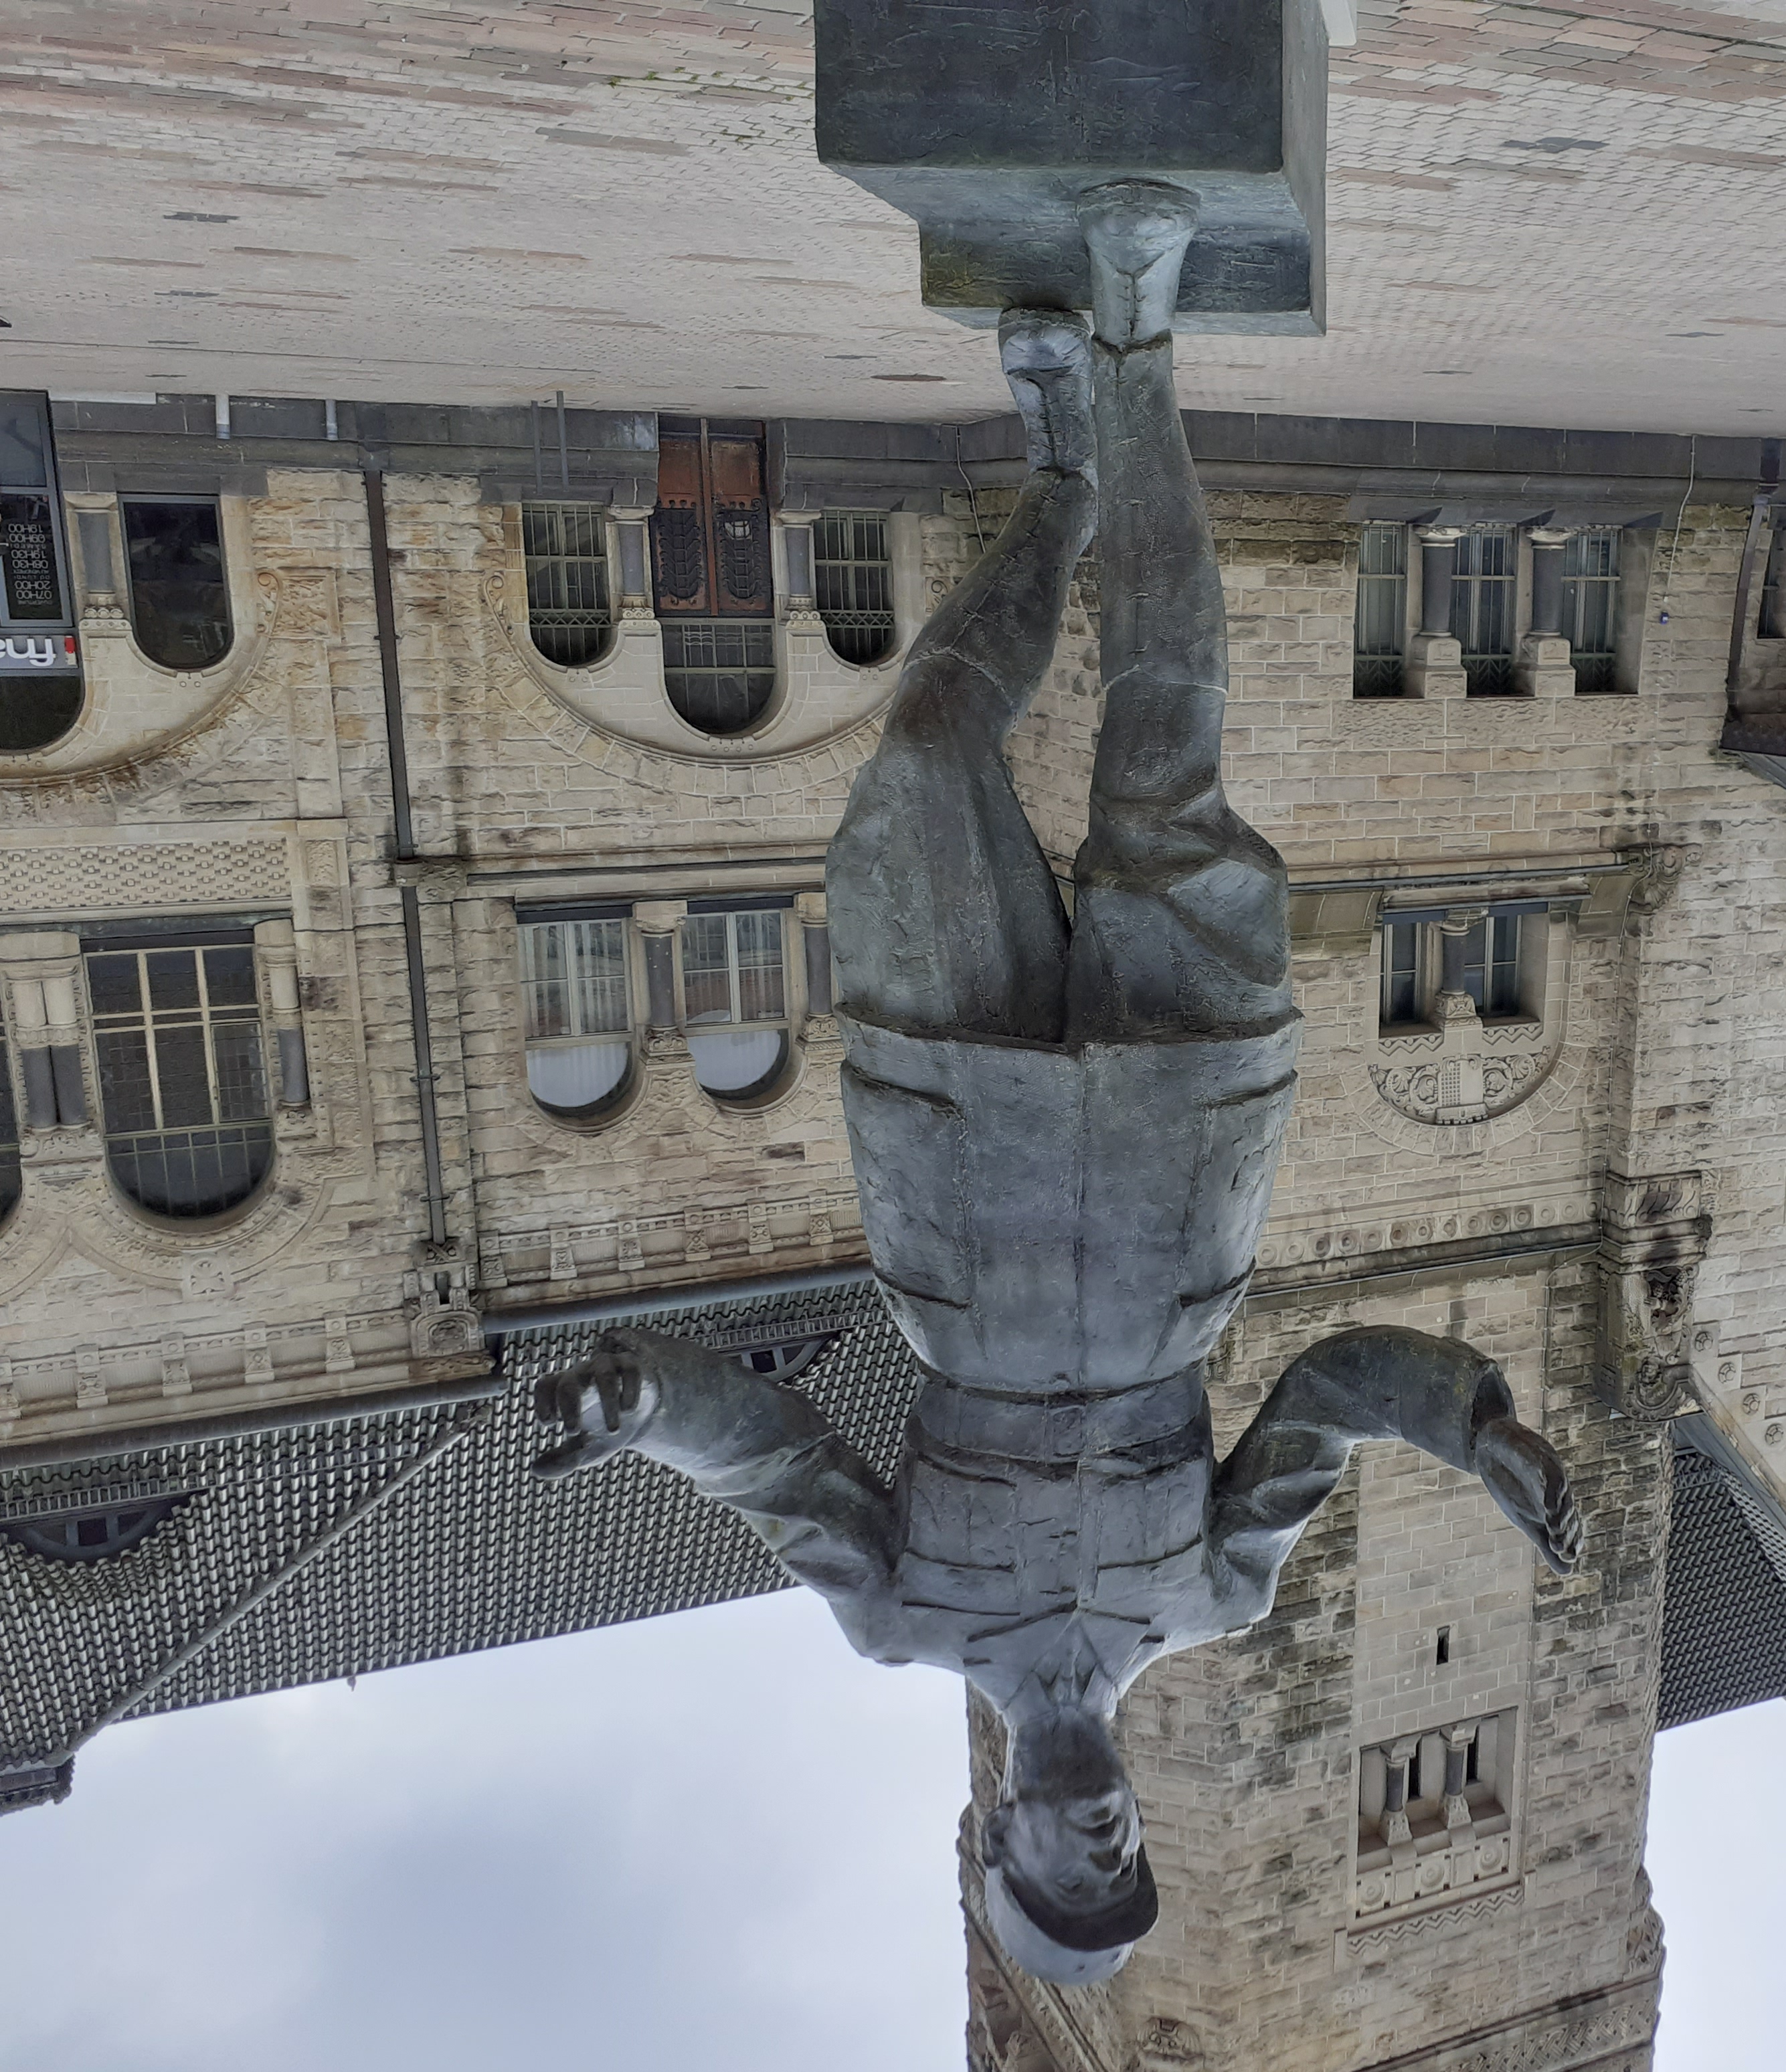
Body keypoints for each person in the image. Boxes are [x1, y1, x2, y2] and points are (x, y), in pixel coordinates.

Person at [531, 181, 1584, 1988]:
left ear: (996, 1834)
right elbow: (1331, 1391)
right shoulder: (1212, 1595)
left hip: (962, 1173)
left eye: (1061, 1876)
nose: (1101, 1850)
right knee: (1168, 741)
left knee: (927, 757)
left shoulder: (902, 1624)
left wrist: (639, 1403)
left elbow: (767, 1461)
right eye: (1127, 1872)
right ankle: (1137, 345)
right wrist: (1476, 1426)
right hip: (1183, 1156)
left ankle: (1064, 483)